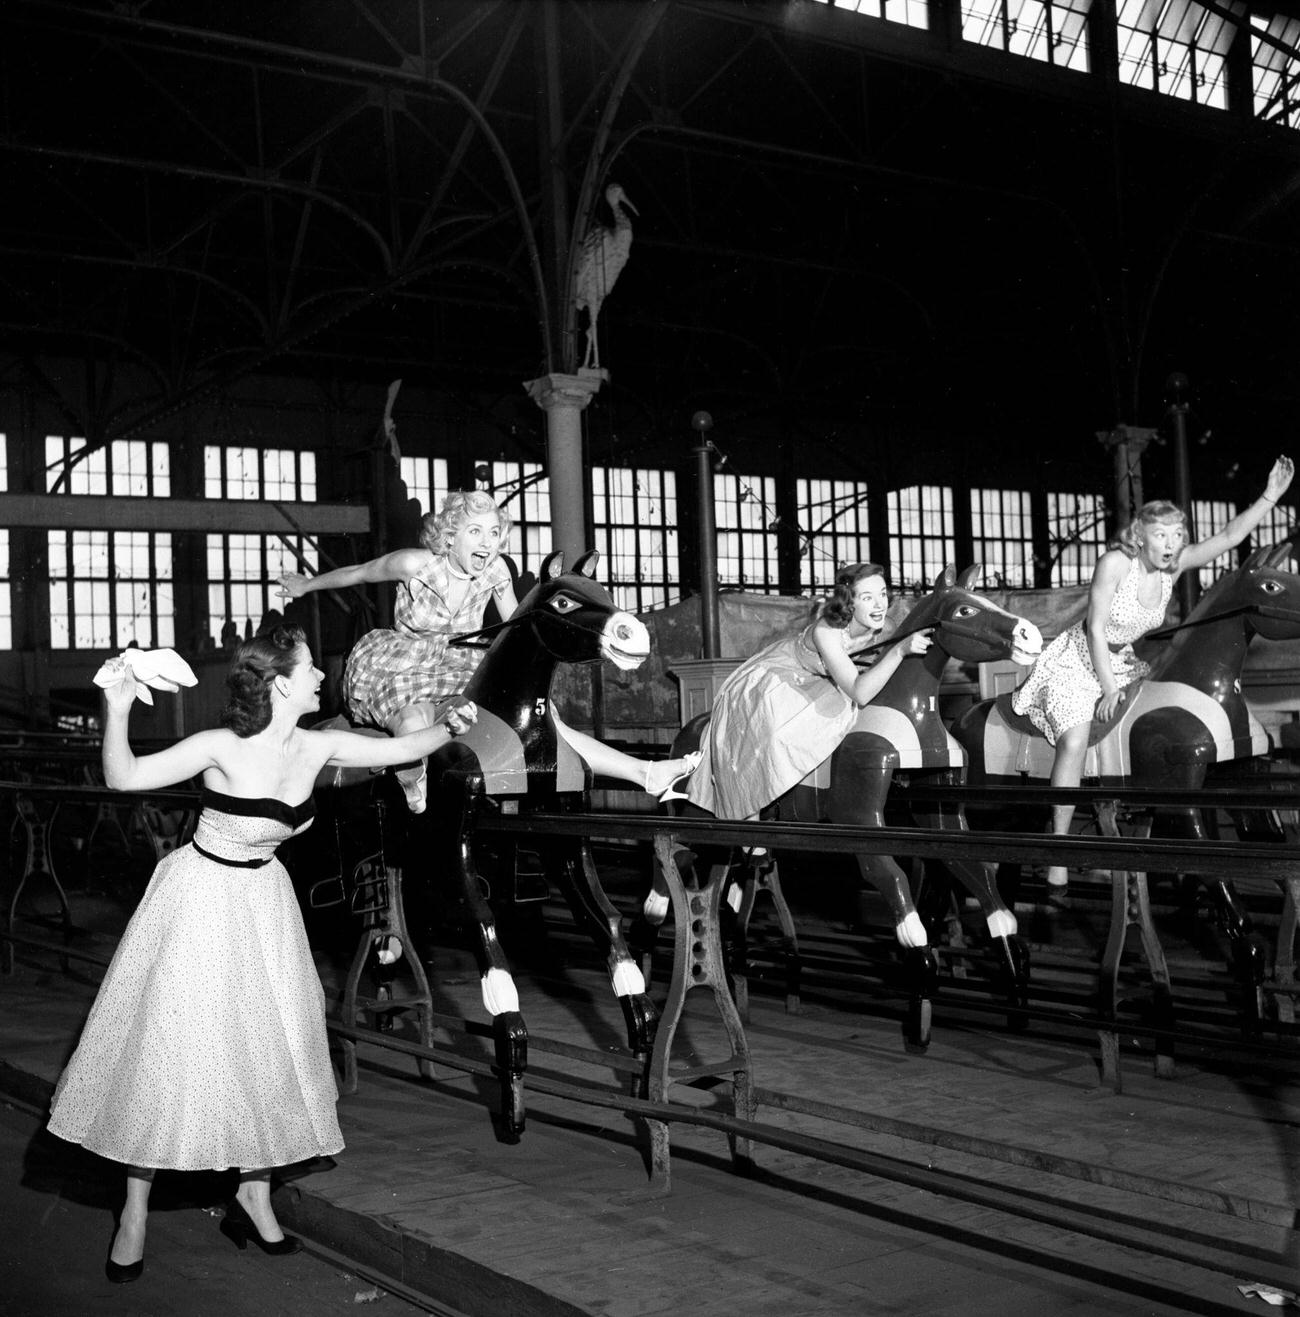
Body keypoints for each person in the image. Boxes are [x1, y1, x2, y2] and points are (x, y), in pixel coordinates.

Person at [47, 625, 478, 1284]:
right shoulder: (221, 745)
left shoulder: (318, 743)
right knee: (173, 1047)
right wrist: (120, 705)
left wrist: (451, 723)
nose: (320, 679)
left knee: (272, 1043)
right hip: (199, 896)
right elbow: (123, 774)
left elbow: (406, 746)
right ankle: (133, 1209)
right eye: (309, 669)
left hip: (263, 901)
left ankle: (254, 1189)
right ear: (279, 681)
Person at [278, 489, 696, 813]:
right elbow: (359, 572)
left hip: (462, 660)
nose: (486, 542)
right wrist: (305, 585)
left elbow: (515, 622)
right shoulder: (415, 565)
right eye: (474, 532)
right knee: (414, 715)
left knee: (547, 721)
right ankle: (411, 775)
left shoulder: (496, 570)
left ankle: (645, 773)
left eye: (493, 533)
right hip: (404, 658)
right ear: (450, 536)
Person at [1012, 454, 1295, 893]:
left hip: (1123, 658)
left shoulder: (1172, 567)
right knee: (1073, 736)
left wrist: (1269, 496)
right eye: (1161, 534)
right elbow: (1095, 627)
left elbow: (1228, 535)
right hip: (1079, 659)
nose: (1170, 542)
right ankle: (1059, 847)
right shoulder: (1115, 564)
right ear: (1139, 536)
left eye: (1177, 534)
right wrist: (1106, 688)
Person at [686, 562, 933, 821]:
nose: (879, 605)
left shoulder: (887, 625)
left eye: (882, 594)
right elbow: (860, 692)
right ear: (850, 602)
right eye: (867, 598)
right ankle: (751, 816)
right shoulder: (828, 630)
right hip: (784, 676)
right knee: (773, 736)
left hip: (829, 681)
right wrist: (899, 651)